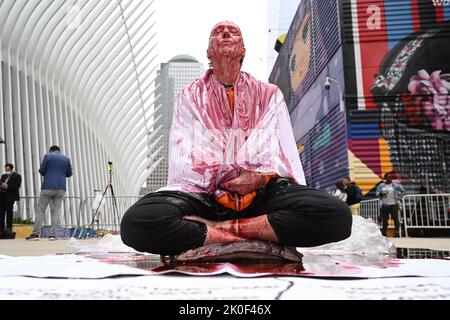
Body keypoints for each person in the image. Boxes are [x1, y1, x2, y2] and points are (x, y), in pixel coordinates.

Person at [120, 21, 352, 257]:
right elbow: (185, 155)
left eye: (234, 32)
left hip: (262, 195)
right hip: (206, 195)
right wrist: (220, 176)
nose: (226, 33)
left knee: (337, 216)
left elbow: (282, 152)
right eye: (218, 33)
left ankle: (218, 232)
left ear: (243, 50)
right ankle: (259, 233)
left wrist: (260, 179)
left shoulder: (269, 95)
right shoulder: (189, 96)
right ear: (209, 52)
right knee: (136, 222)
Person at [26, 146, 72, 241]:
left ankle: (35, 234)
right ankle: (52, 235)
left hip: (48, 186)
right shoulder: (66, 159)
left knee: (40, 210)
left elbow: (42, 171)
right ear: (59, 150)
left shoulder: (48, 156)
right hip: (61, 188)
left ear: (50, 150)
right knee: (56, 211)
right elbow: (69, 173)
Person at [0, 164, 22, 233]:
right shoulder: (3, 176)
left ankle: (9, 228)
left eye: (8, 170)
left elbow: (17, 186)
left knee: (9, 212)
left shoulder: (17, 176)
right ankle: (1, 228)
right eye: (6, 170)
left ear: (11, 169)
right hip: (2, 196)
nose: (7, 171)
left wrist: (7, 186)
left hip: (10, 197)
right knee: (1, 213)